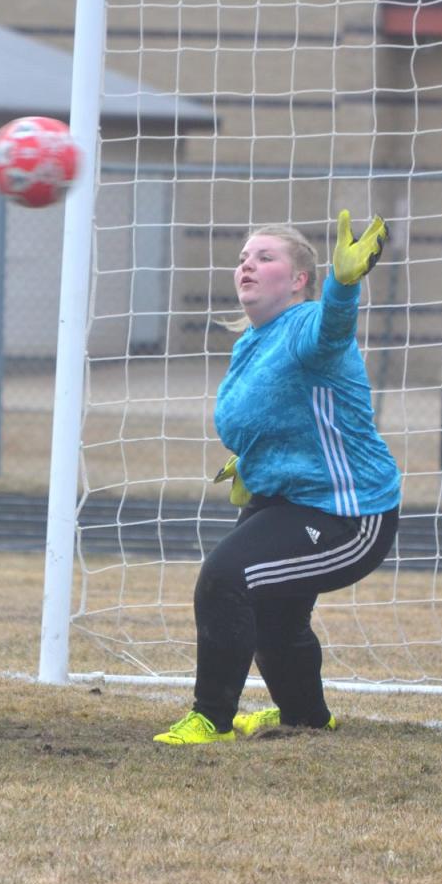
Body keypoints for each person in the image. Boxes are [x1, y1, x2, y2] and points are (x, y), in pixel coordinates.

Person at [154, 210, 401, 745]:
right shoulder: (253, 341)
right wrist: (253, 459)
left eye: (264, 258)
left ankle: (211, 719)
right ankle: (307, 718)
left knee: (226, 579)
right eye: (243, 257)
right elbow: (273, 416)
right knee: (273, 615)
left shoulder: (307, 327)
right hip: (287, 498)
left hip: (348, 514)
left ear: (297, 281)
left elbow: (332, 329)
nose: (247, 265)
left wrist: (342, 284)